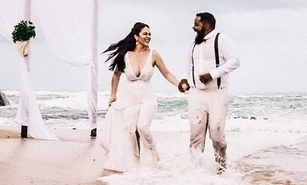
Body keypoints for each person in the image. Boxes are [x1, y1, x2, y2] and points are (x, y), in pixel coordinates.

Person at [99, 22, 182, 172]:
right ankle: (136, 161)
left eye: (149, 34)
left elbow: (167, 73)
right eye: (145, 34)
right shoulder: (126, 55)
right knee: (131, 130)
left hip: (147, 99)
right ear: (136, 36)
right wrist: (113, 95)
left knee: (142, 126)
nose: (148, 36)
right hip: (129, 99)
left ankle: (154, 153)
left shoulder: (153, 54)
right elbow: (116, 75)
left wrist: (179, 84)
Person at [177, 12, 240, 171]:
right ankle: (196, 171)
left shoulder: (222, 39)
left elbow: (234, 61)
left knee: (216, 133)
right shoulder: (193, 45)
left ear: (207, 25)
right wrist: (184, 79)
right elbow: (187, 63)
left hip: (217, 93)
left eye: (196, 24)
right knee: (195, 135)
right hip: (196, 93)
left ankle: (221, 167)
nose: (193, 27)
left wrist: (212, 74)